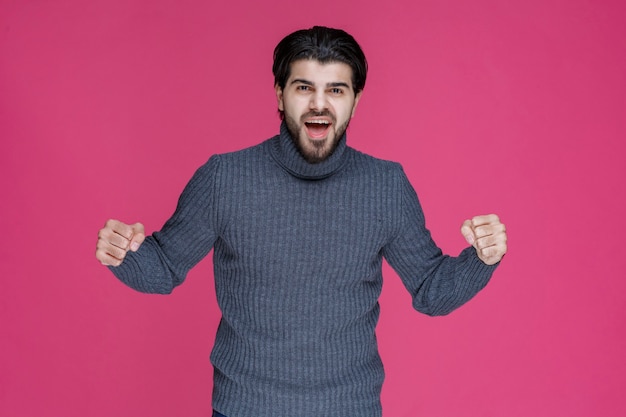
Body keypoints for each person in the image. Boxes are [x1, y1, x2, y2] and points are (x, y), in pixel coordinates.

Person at [95, 26, 507, 417]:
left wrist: (482, 258)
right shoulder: (225, 178)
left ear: (356, 100)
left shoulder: (386, 185)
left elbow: (432, 291)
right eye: (304, 87)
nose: (319, 103)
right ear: (279, 94)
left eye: (336, 90)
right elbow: (163, 267)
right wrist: (123, 253)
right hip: (243, 408)